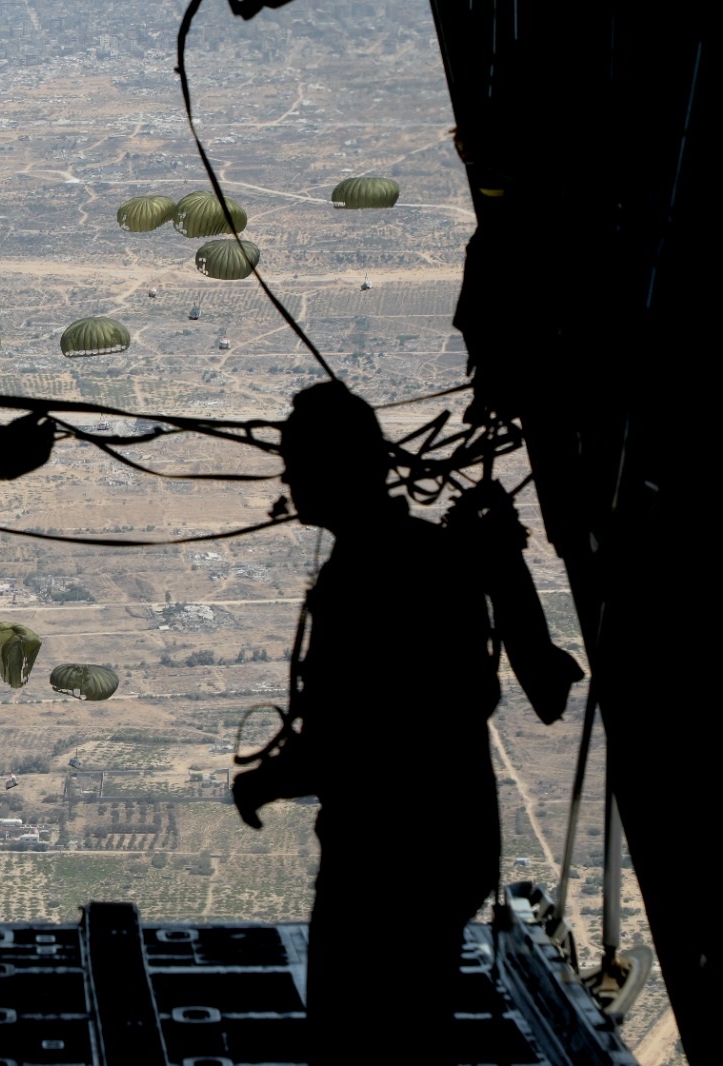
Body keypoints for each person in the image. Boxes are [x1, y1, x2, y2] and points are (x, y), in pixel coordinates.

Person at [233, 381, 502, 1064]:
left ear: (334, 468)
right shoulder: (418, 555)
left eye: (297, 461)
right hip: (435, 847)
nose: (287, 476)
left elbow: (358, 735)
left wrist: (265, 781)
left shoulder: (368, 576)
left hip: (393, 859)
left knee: (357, 1032)